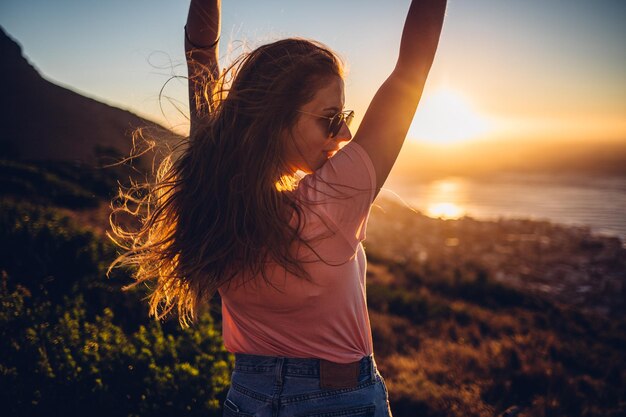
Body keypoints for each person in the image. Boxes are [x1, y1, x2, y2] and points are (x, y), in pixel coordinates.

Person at [109, 0, 446, 415]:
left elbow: (200, 53)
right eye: (330, 117)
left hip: (248, 398)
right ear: (276, 119)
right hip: (339, 402)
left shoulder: (212, 187)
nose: (344, 133)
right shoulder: (331, 202)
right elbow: (411, 69)